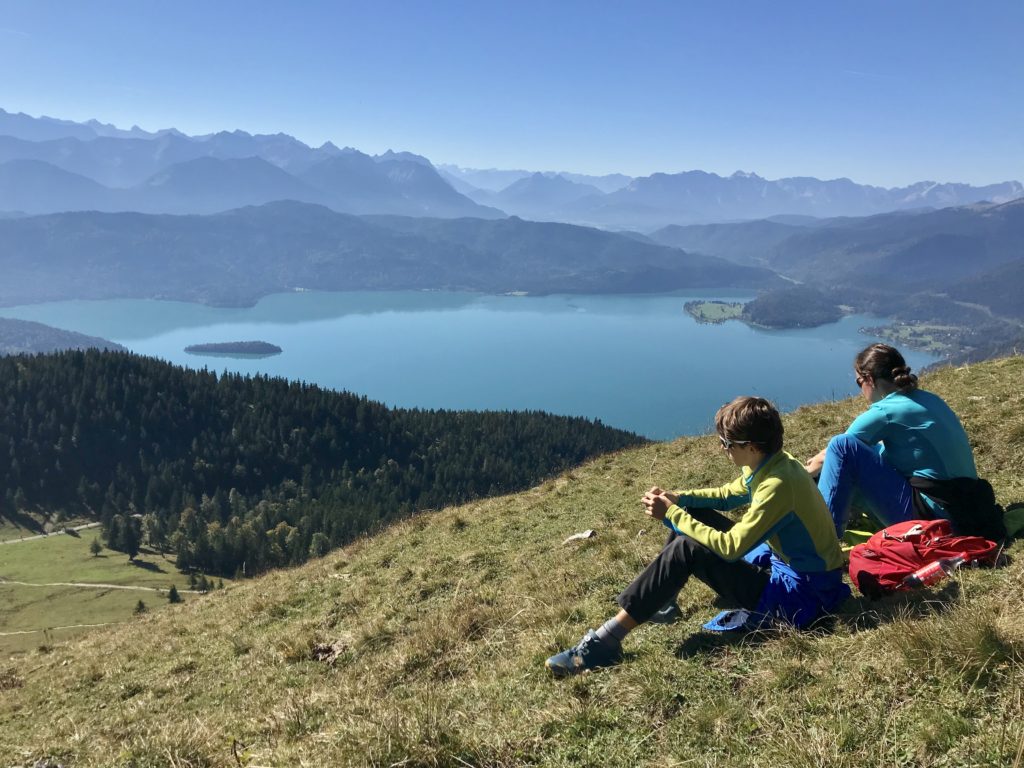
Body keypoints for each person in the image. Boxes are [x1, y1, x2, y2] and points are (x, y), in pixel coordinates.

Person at [545, 396, 850, 677]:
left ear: (752, 447)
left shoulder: (778, 485)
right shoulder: (776, 463)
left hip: (802, 595)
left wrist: (672, 515)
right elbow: (730, 494)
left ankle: (603, 644)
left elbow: (731, 549)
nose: (722, 448)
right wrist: (681, 499)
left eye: (726, 443)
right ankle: (662, 604)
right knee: (695, 517)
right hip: (792, 569)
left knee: (688, 547)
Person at [804, 343, 988, 538]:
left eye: (859, 382)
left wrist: (803, 473)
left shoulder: (886, 411)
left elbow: (837, 453)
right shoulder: (930, 399)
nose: (860, 390)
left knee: (843, 446)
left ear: (869, 380)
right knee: (871, 452)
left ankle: (820, 539)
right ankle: (841, 518)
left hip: (935, 521)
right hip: (971, 512)